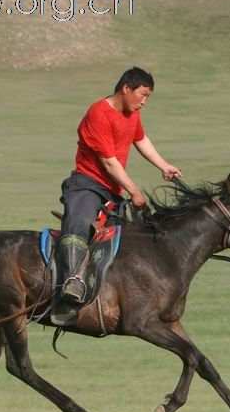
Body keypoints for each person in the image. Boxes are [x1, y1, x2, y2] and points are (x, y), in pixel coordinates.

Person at [54, 67, 182, 314]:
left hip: (112, 192)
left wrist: (164, 166)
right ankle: (71, 282)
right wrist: (135, 191)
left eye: (148, 97)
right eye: (142, 95)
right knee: (79, 224)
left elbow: (141, 140)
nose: (144, 102)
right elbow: (110, 163)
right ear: (126, 88)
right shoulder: (98, 113)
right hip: (87, 184)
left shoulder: (131, 114)